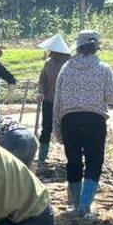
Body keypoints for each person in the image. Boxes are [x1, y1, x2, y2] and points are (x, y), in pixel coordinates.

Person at [53, 30, 113, 218]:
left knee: (73, 161)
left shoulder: (66, 68)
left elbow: (57, 102)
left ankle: (75, 205)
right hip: (94, 120)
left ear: (79, 47)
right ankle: (85, 206)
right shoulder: (104, 68)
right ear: (96, 47)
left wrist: (58, 128)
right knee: (94, 161)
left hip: (69, 120)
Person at [36, 34, 71, 166]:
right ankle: (42, 158)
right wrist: (40, 92)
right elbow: (42, 81)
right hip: (49, 101)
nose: (49, 52)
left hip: (66, 103)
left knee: (67, 129)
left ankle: (71, 157)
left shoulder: (70, 63)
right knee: (46, 128)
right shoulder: (48, 64)